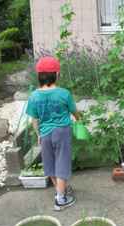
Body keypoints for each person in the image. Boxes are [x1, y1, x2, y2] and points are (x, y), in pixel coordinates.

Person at [26, 56, 79, 211]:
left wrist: (39, 134)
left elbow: (34, 119)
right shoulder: (64, 93)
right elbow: (74, 112)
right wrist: (78, 119)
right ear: (56, 74)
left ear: (39, 75)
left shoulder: (34, 96)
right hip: (62, 132)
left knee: (49, 163)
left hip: (45, 133)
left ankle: (59, 190)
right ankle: (61, 199)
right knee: (62, 162)